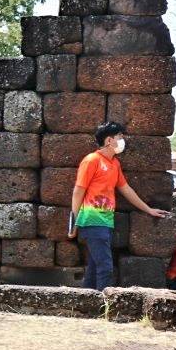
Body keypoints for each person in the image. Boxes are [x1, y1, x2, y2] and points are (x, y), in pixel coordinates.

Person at [70, 121, 167, 291]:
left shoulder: (114, 164)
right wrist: (75, 222)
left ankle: (86, 304)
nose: (123, 140)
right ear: (109, 141)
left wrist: (148, 209)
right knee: (106, 267)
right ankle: (103, 306)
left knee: (94, 268)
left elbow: (126, 189)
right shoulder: (92, 160)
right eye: (120, 137)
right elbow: (78, 191)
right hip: (92, 221)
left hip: (106, 222)